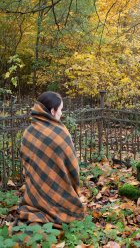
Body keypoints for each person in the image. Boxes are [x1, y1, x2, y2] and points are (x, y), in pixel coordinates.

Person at [18, 91, 84, 228]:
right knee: (74, 211)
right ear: (53, 111)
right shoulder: (60, 133)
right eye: (60, 109)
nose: (61, 113)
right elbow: (72, 166)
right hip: (61, 195)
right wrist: (75, 187)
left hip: (34, 193)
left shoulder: (28, 132)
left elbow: (26, 164)